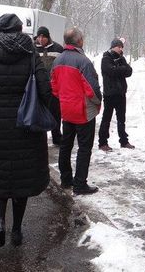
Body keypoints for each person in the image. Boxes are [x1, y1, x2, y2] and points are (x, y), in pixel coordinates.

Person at [0, 14, 50, 247]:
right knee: (22, 179)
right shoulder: (31, 55)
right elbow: (46, 91)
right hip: (27, 124)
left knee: (0, 174)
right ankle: (16, 230)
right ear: (20, 30)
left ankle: (0, 223)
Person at [51, 28, 102, 195]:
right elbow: (92, 90)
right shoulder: (83, 62)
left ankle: (66, 180)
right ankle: (80, 184)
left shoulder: (57, 60)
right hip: (82, 112)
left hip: (66, 110)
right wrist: (98, 102)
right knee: (84, 148)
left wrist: (64, 99)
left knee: (66, 145)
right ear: (79, 41)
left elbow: (54, 87)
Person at [98, 38, 134, 151]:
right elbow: (111, 71)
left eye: (122, 47)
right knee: (106, 119)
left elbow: (129, 71)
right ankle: (102, 142)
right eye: (119, 46)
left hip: (121, 93)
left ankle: (124, 141)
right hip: (109, 94)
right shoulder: (105, 58)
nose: (120, 48)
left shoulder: (121, 58)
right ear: (113, 46)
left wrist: (119, 68)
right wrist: (121, 69)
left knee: (121, 119)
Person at [34, 26, 64, 145]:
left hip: (54, 86)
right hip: (37, 86)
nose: (41, 39)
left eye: (44, 37)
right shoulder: (32, 48)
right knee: (38, 111)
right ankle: (39, 137)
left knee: (55, 112)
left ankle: (56, 136)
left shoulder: (58, 48)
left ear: (48, 37)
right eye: (39, 36)